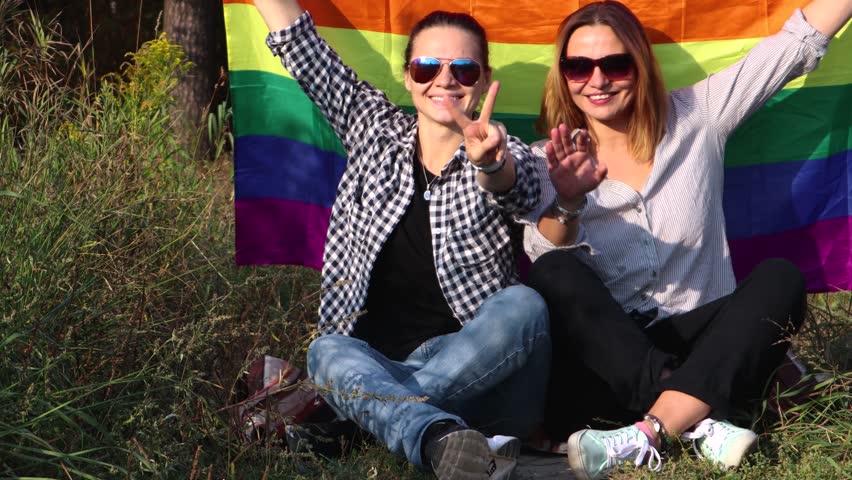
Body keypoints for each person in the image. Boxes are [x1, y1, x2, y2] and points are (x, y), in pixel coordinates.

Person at [522, 1, 852, 479]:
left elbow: (796, 44)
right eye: (579, 66)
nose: (597, 80)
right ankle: (697, 421)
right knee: (555, 271)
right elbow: (546, 260)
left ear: (640, 64)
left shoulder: (697, 116)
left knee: (780, 279)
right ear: (562, 75)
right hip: (610, 366)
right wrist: (569, 200)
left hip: (705, 341)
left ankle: (648, 433)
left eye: (615, 64)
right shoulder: (543, 160)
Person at [252, 1, 550, 479]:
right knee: (326, 350)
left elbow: (520, 189)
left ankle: (359, 422)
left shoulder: (503, 148)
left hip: (485, 380)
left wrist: (490, 164)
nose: (445, 80)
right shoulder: (372, 129)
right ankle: (435, 437)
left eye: (464, 69)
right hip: (375, 360)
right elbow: (300, 46)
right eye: (427, 66)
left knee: (525, 305)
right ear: (409, 77)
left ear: (484, 78)